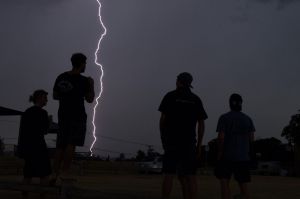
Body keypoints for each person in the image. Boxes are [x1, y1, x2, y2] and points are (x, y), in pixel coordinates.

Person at [158, 72, 208, 199]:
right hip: (189, 143)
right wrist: (199, 145)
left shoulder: (170, 96)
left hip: (171, 142)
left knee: (168, 174)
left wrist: (163, 139)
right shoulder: (195, 99)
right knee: (190, 176)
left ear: (179, 82)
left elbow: (162, 120)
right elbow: (201, 124)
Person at [52, 53, 95, 182]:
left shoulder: (62, 77)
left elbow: (55, 95)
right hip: (77, 115)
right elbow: (90, 99)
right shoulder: (84, 80)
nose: (86, 65)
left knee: (60, 144)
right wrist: (92, 84)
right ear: (81, 63)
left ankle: (54, 173)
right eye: (85, 63)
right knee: (71, 143)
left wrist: (67, 96)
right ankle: (65, 172)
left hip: (63, 114)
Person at [215, 93, 255, 199]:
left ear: (230, 103)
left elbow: (221, 137)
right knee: (243, 184)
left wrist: (219, 153)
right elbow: (251, 139)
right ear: (241, 104)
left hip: (226, 156)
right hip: (243, 157)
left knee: (224, 182)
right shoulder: (248, 119)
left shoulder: (224, 118)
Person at [18, 90, 51, 199]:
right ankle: (43, 195)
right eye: (45, 98)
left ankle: (25, 195)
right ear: (39, 98)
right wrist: (48, 122)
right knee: (44, 173)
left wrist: (22, 150)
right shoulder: (43, 113)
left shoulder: (27, 112)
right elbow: (45, 131)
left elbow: (22, 132)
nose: (46, 100)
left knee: (28, 174)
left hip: (28, 148)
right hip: (39, 147)